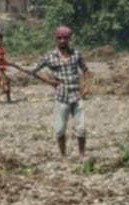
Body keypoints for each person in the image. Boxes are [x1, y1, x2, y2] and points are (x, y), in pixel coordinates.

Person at [29, 26, 89, 159]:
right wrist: (49, 81)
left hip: (77, 96)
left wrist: (85, 87)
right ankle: (63, 156)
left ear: (69, 39)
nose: (62, 40)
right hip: (62, 97)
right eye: (59, 38)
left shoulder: (76, 54)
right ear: (55, 39)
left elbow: (85, 70)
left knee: (81, 128)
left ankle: (82, 155)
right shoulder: (50, 56)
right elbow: (32, 70)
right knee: (60, 128)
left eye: (65, 38)